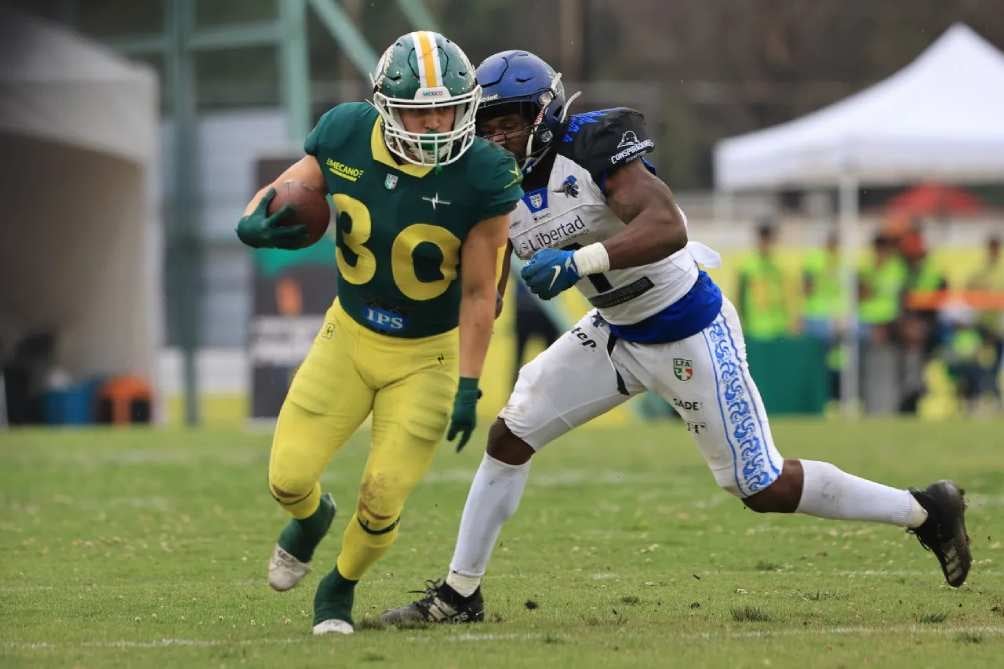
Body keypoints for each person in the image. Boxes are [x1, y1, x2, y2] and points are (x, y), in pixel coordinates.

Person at [380, 50, 972, 625]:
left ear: (544, 115)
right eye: (485, 125)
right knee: (511, 433)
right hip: (613, 332)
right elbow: (488, 290)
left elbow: (667, 225)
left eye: (508, 122)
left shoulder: (591, 146)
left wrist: (579, 260)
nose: (497, 138)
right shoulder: (488, 184)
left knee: (758, 484)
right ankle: (459, 596)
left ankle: (923, 510)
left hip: (684, 325)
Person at [235, 31, 522, 636]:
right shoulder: (343, 133)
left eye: (448, 108)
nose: (438, 124)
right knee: (286, 478)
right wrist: (251, 221)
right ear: (386, 108)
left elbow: (478, 292)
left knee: (383, 494)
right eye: (420, 113)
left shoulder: (485, 174)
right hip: (350, 335)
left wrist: (471, 382)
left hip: (428, 355)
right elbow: (290, 187)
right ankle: (312, 523)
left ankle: (338, 589)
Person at [737, 223, 792, 341]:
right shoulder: (747, 267)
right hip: (755, 328)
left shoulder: (779, 266)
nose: (767, 244)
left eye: (769, 240)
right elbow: (739, 296)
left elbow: (786, 296)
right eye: (764, 240)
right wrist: (741, 321)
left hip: (779, 327)